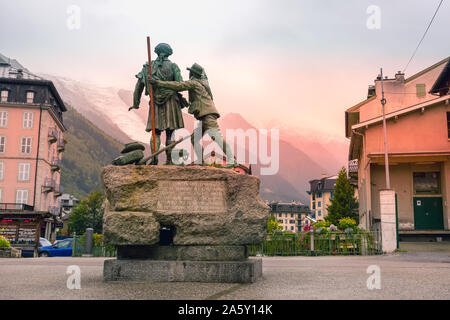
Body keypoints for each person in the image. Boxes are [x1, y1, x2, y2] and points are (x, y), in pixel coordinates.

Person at [149, 63, 235, 164]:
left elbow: (178, 86)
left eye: (190, 72)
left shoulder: (194, 83)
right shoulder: (204, 82)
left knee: (216, 137)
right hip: (205, 115)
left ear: (192, 73)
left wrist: (157, 83)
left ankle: (231, 160)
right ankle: (201, 161)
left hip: (207, 115)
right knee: (195, 139)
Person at [129, 43, 187, 164]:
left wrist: (136, 103)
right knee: (170, 132)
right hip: (171, 102)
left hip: (155, 102)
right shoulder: (173, 66)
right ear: (168, 53)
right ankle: (170, 160)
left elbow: (138, 87)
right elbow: (180, 85)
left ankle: (154, 160)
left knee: (156, 132)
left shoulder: (148, 67)